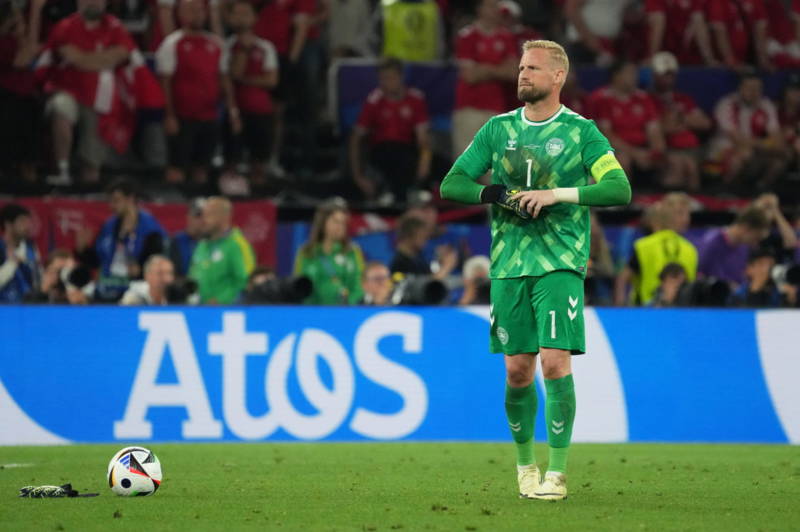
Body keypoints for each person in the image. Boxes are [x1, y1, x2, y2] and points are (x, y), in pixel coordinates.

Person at [440, 39, 631, 500]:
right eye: (521, 68)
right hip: (509, 265)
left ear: (558, 76)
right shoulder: (498, 129)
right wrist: (496, 194)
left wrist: (556, 194)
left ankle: (557, 474)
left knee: (554, 361)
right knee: (518, 372)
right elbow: (453, 183)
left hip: (560, 261)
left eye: (533, 68)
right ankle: (526, 466)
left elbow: (618, 188)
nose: (522, 75)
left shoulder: (582, 132)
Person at [35, 0, 136, 185]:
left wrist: (85, 59)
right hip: (67, 89)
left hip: (100, 95)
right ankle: (62, 169)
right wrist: (103, 59)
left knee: (101, 118)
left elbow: (122, 53)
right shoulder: (65, 27)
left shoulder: (115, 27)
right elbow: (74, 58)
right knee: (61, 108)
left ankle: (91, 177)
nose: (93, 3)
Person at [156, 0, 240, 185]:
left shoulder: (216, 44)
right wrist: (169, 115)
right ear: (181, 14)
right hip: (182, 116)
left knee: (202, 167)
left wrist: (233, 111)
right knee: (177, 167)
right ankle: (174, 202)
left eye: (200, 10)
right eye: (191, 10)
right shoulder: (172, 43)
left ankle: (200, 199)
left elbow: (224, 80)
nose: (197, 15)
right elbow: (165, 82)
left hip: (209, 115)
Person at [349, 57, 432, 204]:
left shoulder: (415, 99)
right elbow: (356, 139)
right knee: (391, 153)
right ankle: (393, 196)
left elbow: (423, 140)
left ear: (401, 77)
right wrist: (358, 177)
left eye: (391, 78)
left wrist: (424, 163)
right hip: (381, 152)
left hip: (407, 151)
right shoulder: (374, 101)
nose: (386, 83)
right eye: (383, 79)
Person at [75, 179, 167, 302]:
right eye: (110, 201)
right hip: (106, 287)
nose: (111, 206)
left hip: (135, 289)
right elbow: (98, 262)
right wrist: (83, 250)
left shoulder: (150, 229)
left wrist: (139, 269)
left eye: (116, 201)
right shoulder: (109, 226)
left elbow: (152, 264)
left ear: (130, 199)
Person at [222, 0, 278, 191]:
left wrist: (243, 79)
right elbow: (231, 75)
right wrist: (244, 51)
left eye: (246, 13)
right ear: (229, 18)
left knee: (259, 160)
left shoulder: (265, 47)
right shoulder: (226, 47)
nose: (241, 18)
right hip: (236, 110)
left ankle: (259, 196)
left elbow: (271, 80)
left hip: (261, 110)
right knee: (232, 160)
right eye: (237, 14)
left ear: (255, 18)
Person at [451, 0, 518, 158]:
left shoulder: (506, 37)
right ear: (480, 9)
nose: (496, 10)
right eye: (491, 6)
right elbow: (469, 76)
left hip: (496, 109)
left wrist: (483, 69)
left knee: (494, 164)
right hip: (469, 108)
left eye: (497, 5)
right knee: (467, 164)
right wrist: (498, 68)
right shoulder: (467, 36)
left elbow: (513, 73)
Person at [708, 71, 789, 191]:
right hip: (723, 150)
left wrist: (775, 146)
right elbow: (738, 139)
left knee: (780, 159)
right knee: (744, 154)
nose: (754, 92)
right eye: (749, 88)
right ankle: (723, 190)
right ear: (740, 88)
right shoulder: (727, 104)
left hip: (755, 150)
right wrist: (766, 144)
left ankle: (760, 190)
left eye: (757, 89)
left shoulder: (766, 105)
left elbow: (776, 136)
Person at [614, 192, 697, 306]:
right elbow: (623, 278)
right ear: (666, 214)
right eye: (680, 213)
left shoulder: (690, 249)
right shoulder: (690, 249)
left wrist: (619, 307)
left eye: (688, 214)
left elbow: (622, 278)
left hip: (655, 311)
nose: (686, 219)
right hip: (654, 310)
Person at [590, 60, 667, 182]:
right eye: (629, 73)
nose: (634, 77)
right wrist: (635, 153)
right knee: (622, 160)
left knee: (675, 162)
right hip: (614, 149)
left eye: (635, 73)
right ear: (616, 76)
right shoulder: (602, 99)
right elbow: (606, 135)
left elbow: (654, 130)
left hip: (642, 149)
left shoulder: (644, 98)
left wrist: (656, 153)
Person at [648, 52, 711, 191]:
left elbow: (705, 123)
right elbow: (661, 128)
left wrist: (680, 119)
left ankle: (692, 202)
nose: (668, 79)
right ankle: (669, 200)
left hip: (692, 149)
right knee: (684, 166)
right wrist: (680, 123)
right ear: (654, 75)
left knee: (693, 165)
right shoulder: (648, 99)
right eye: (664, 74)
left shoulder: (683, 99)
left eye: (671, 74)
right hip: (668, 149)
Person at [0, 0, 45, 186]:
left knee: (32, 108)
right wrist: (35, 13)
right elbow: (25, 58)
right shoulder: (5, 43)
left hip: (25, 99)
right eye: (17, 22)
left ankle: (30, 174)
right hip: (7, 98)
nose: (22, 25)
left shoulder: (18, 41)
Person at [293, 198, 364, 305]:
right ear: (322, 222)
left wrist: (347, 306)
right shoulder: (306, 252)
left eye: (343, 223)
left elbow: (359, 286)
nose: (340, 227)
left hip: (344, 311)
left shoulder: (352, 252)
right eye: (335, 221)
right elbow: (299, 287)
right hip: (312, 312)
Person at [189, 196, 255, 304]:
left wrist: (220, 301)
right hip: (200, 310)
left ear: (224, 217)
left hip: (228, 311)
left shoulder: (237, 245)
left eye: (209, 214)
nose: (203, 220)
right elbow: (193, 276)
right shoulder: (201, 246)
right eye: (202, 215)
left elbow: (246, 282)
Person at [697, 206, 770, 287]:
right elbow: (698, 277)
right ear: (746, 228)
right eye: (756, 237)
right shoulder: (711, 242)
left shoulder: (744, 247)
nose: (756, 244)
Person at [645, 0, 717, 65]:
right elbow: (657, 23)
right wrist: (652, 57)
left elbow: (698, 22)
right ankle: (651, 57)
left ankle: (708, 59)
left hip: (684, 51)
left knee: (698, 20)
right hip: (662, 53)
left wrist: (709, 59)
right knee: (658, 19)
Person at [706, 0, 771, 71]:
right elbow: (719, 33)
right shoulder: (717, 2)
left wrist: (763, 61)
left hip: (749, 60)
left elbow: (760, 30)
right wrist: (731, 61)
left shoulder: (756, 2)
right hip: (724, 64)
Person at [390, 215, 457, 280]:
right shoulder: (399, 264)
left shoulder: (418, 259)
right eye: (421, 235)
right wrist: (446, 266)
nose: (426, 238)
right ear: (409, 235)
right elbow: (423, 286)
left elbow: (429, 276)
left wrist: (439, 262)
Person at [0, 203, 42, 303]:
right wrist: (12, 263)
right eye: (22, 221)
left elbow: (38, 279)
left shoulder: (31, 248)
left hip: (29, 306)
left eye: (28, 221)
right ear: (8, 225)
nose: (27, 226)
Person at [168, 198, 205, 276]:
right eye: (197, 216)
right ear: (188, 217)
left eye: (205, 216)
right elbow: (173, 273)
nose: (202, 220)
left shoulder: (212, 241)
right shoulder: (177, 241)